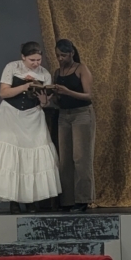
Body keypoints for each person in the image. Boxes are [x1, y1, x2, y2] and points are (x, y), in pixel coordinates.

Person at [0, 41, 61, 213]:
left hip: (33, 117)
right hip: (10, 116)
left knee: (32, 158)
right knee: (11, 158)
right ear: (23, 57)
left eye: (38, 60)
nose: (36, 63)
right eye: (32, 60)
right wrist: (25, 86)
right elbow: (3, 93)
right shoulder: (12, 68)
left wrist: (43, 99)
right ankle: (14, 201)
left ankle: (31, 201)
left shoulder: (44, 74)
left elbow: (44, 103)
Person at [51, 39, 95, 212]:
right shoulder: (57, 72)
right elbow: (58, 99)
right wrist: (53, 94)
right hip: (64, 115)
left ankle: (83, 199)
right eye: (57, 56)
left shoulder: (81, 69)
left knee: (81, 157)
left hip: (81, 114)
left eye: (63, 55)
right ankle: (67, 200)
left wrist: (67, 91)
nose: (60, 59)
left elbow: (89, 96)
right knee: (65, 160)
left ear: (71, 53)